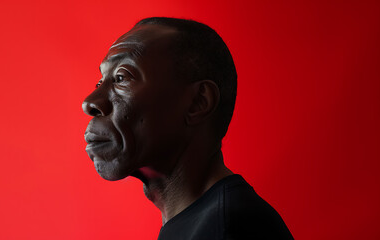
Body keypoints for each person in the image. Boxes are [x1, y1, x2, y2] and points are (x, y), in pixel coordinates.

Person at [82, 17, 293, 240]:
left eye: (121, 78)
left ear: (197, 103)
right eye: (100, 82)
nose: (90, 102)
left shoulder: (227, 229)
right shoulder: (206, 221)